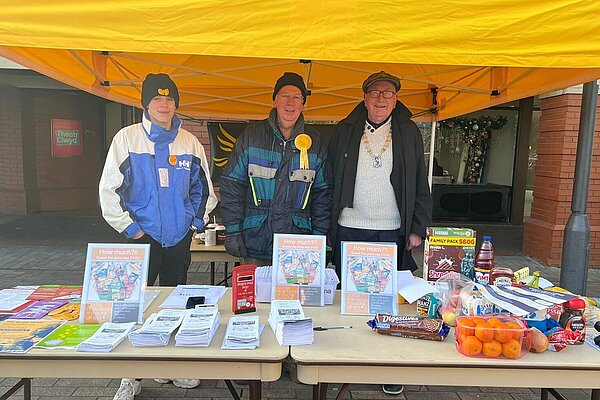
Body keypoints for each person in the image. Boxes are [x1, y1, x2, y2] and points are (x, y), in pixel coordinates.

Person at [99, 73, 217, 400]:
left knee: (176, 303)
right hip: (142, 237)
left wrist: (195, 222)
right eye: (157, 99)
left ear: (176, 103)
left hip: (178, 239)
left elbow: (203, 190)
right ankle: (131, 376)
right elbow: (108, 190)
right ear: (146, 104)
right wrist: (130, 227)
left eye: (169, 99)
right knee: (136, 307)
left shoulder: (189, 142)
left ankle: (170, 367)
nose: (164, 104)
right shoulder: (127, 139)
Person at [328, 71, 432, 396]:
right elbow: (328, 178)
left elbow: (420, 185)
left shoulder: (410, 133)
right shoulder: (345, 131)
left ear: (396, 99)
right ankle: (345, 358)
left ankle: (389, 365)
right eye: (375, 92)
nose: (381, 99)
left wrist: (416, 229)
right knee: (350, 300)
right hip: (350, 227)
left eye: (388, 93)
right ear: (365, 97)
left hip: (391, 232)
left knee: (389, 305)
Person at [220, 72, 332, 266]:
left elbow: (323, 194)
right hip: (256, 241)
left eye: (297, 97)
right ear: (274, 101)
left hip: (298, 244)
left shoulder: (315, 143)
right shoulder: (251, 136)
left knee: (295, 296)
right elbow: (232, 185)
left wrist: (320, 236)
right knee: (255, 296)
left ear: (303, 105)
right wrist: (232, 230)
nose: (291, 103)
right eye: (285, 96)